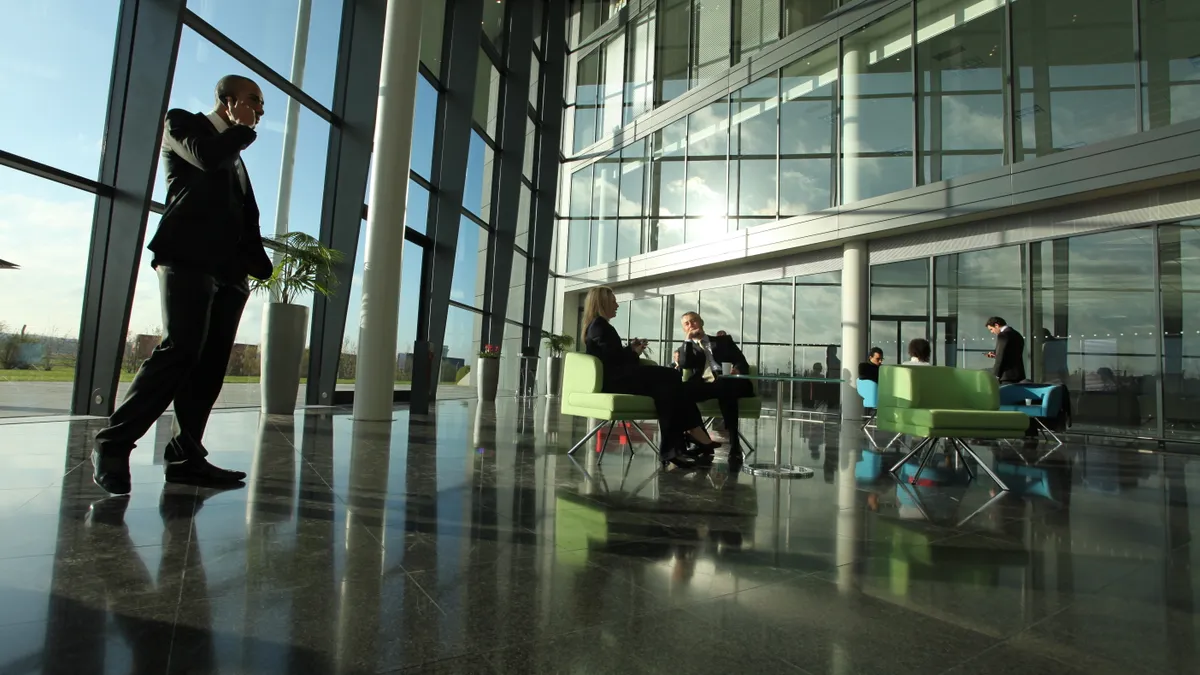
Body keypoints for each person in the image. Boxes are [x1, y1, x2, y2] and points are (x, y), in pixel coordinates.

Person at [91, 75, 274, 495]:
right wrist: (241, 131)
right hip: (187, 257)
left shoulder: (238, 156)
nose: (259, 111)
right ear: (226, 100)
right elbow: (206, 158)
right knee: (181, 349)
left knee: (209, 366)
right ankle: (113, 443)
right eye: (253, 101)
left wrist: (252, 265)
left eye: (261, 106)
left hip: (229, 273)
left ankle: (186, 454)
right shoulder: (183, 124)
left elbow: (244, 214)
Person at [582, 287, 718, 469]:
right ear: (603, 302)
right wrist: (633, 351)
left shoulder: (599, 325)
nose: (616, 305)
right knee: (671, 375)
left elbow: (612, 356)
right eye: (613, 301)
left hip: (620, 377)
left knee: (666, 391)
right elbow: (613, 361)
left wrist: (631, 349)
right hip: (616, 380)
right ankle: (692, 432)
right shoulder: (600, 326)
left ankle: (674, 449)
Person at [672, 311, 754, 466]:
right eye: (687, 324)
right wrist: (688, 340)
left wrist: (737, 369)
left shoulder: (723, 341)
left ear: (701, 322)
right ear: (684, 329)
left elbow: (741, 361)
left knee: (725, 386)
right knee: (682, 390)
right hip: (706, 384)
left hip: (731, 382)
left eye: (694, 321)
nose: (692, 325)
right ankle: (703, 439)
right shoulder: (686, 347)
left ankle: (734, 444)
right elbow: (685, 364)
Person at [985, 317, 1026, 383]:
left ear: (996, 325)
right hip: (1018, 374)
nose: (992, 332)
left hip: (1006, 376)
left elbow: (1000, 356)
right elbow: (1011, 353)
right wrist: (996, 355)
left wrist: (995, 375)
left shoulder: (1003, 335)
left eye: (991, 329)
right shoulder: (1017, 334)